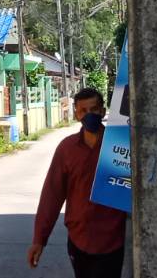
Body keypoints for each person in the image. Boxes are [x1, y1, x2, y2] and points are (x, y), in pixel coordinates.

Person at [29, 88, 127, 278]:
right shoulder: (67, 149)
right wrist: (39, 239)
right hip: (78, 239)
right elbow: (52, 195)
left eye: (95, 109)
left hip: (112, 240)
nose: (89, 115)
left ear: (103, 111)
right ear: (76, 114)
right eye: (83, 111)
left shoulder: (119, 147)